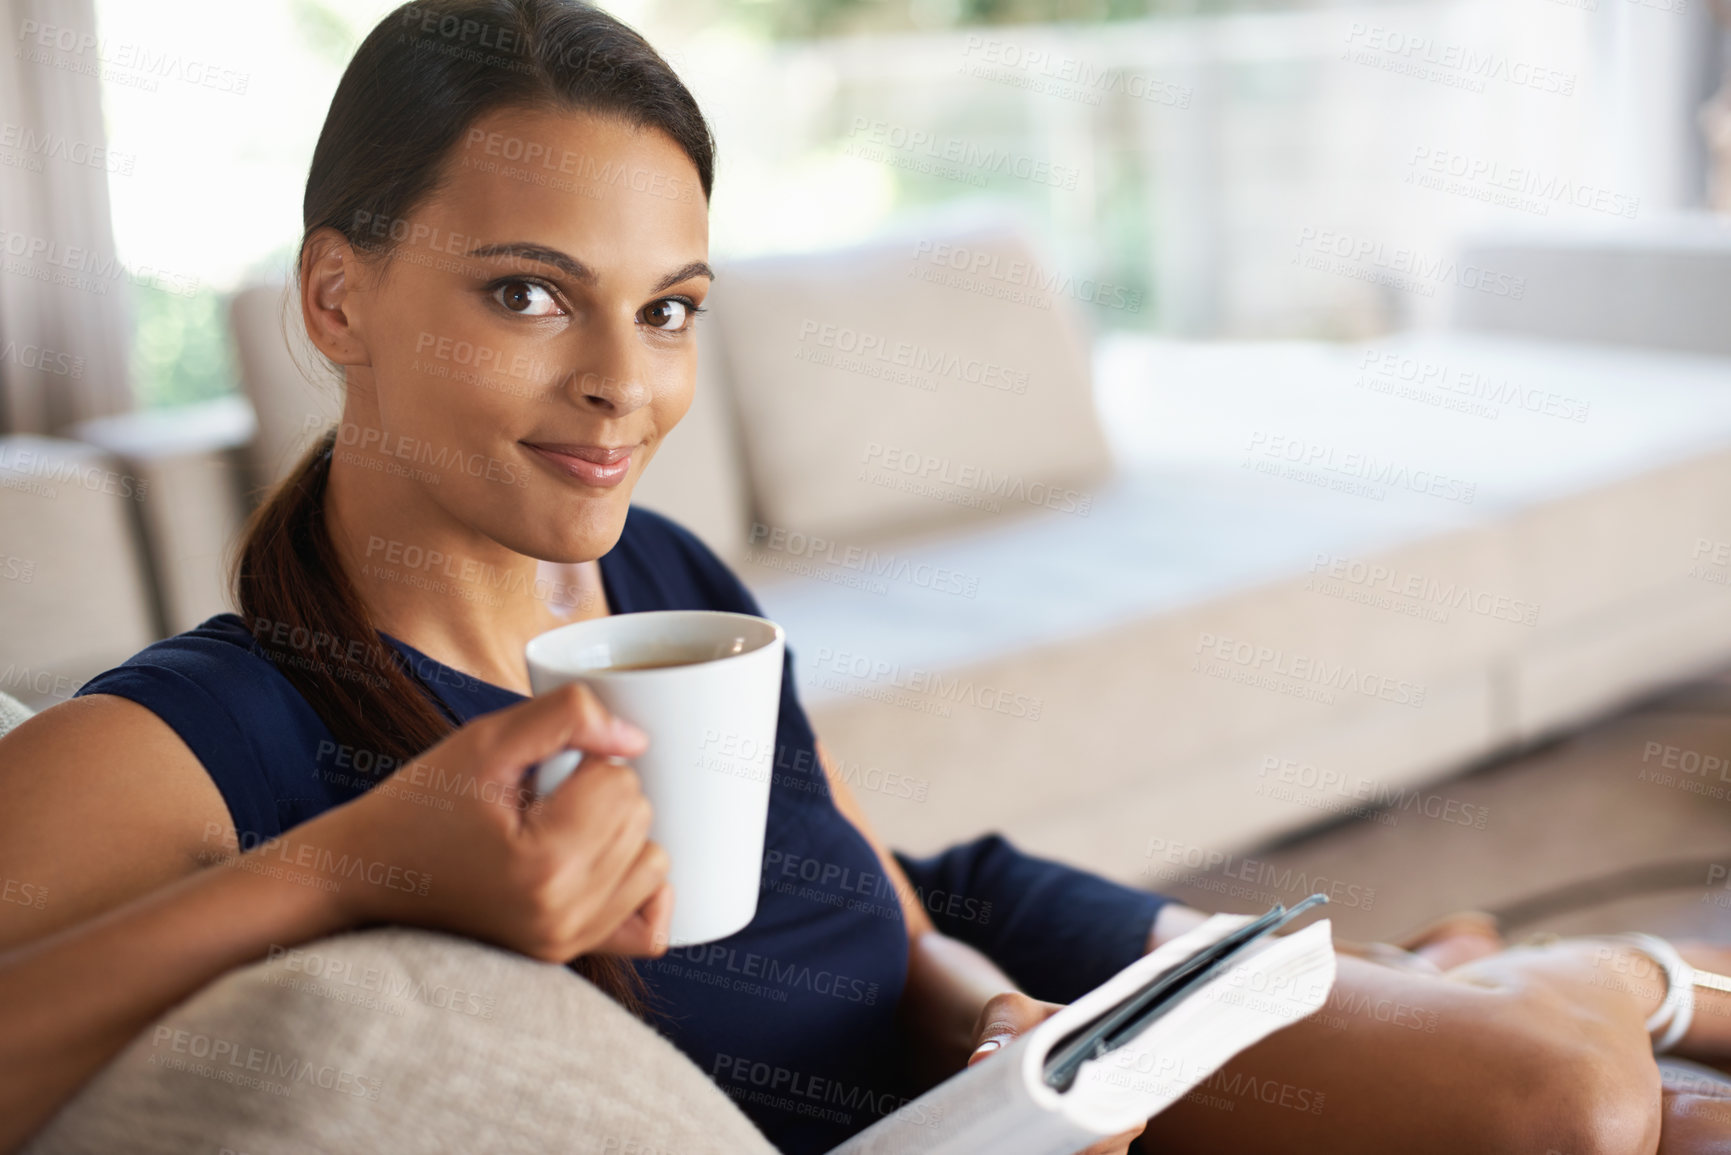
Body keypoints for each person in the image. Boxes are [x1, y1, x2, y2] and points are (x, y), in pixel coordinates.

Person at [0, 3, 1726, 1153]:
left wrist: (996, 1025)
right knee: (1583, 1109)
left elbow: (862, 881)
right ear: (337, 301)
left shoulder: (649, 570)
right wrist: (360, 871)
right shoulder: (204, 730)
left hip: (1001, 1015)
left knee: (1602, 1112)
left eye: (669, 307)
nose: (626, 385)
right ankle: (1587, 976)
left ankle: (1608, 972)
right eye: (531, 294)